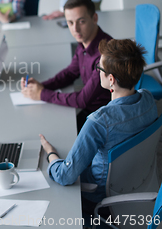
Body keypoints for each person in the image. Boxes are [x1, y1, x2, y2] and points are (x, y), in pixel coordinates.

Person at [39, 39, 158, 213]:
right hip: (139, 179)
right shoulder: (148, 99)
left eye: (99, 69)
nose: (97, 72)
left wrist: (51, 155)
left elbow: (65, 176)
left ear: (111, 79)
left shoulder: (98, 122)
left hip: (101, 195)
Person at [21, 0, 112, 130]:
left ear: (94, 18)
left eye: (81, 22)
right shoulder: (84, 42)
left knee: (50, 129)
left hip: (102, 117)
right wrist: (41, 86)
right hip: (89, 108)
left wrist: (42, 94)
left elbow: (82, 100)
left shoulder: (104, 55)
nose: (75, 29)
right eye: (70, 22)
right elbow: (70, 73)